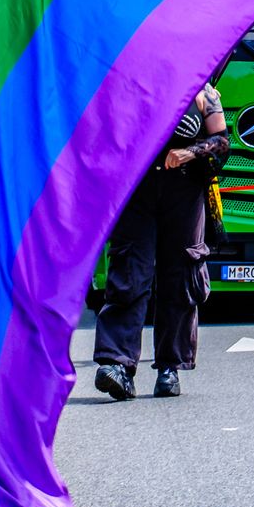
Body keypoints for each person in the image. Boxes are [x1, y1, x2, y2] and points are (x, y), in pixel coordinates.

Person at [94, 84, 228, 400]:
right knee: (129, 271)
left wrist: (189, 153)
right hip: (136, 190)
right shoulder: (130, 82)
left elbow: (223, 142)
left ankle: (170, 367)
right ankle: (118, 365)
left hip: (183, 190)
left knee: (180, 277)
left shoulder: (203, 92)